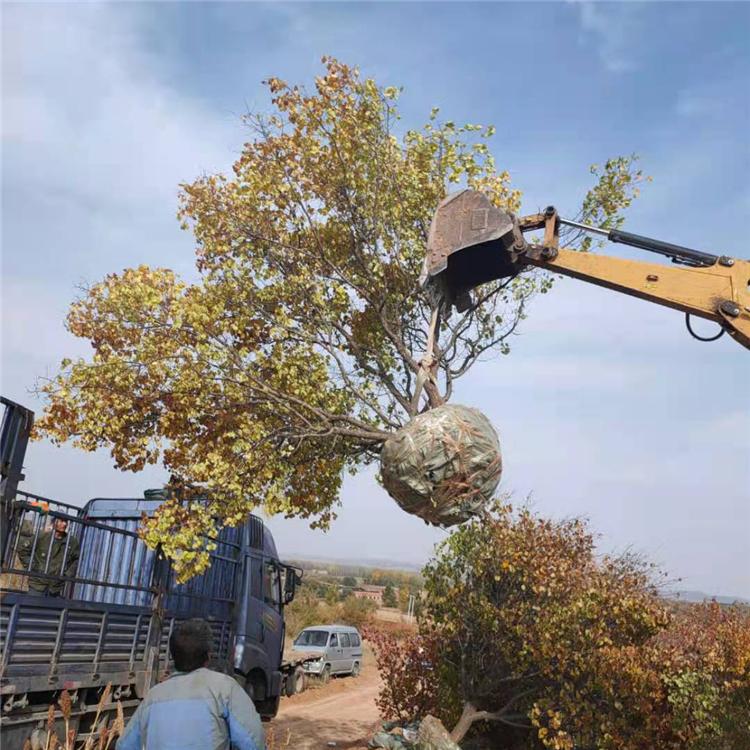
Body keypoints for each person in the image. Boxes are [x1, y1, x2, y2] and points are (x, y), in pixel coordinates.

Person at [118, 619, 265, 750]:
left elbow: (124, 746)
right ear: (208, 656)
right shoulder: (225, 688)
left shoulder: (153, 696)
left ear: (173, 656)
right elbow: (252, 743)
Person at [17, 515, 80, 596]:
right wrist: (32, 566)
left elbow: (76, 559)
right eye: (61, 521)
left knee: (50, 604)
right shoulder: (42, 537)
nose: (64, 524)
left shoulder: (71, 542)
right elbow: (23, 549)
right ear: (53, 522)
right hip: (38, 584)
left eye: (66, 521)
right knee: (32, 604)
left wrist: (67, 574)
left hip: (55, 587)